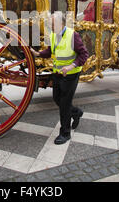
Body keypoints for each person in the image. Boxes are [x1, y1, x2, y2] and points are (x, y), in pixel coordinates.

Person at [30, 12, 89, 145]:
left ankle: (65, 133)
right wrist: (38, 53)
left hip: (71, 74)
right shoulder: (53, 35)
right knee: (57, 99)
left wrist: (71, 66)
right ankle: (76, 112)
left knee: (64, 104)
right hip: (58, 73)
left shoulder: (72, 35)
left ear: (60, 23)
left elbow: (84, 54)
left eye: (52, 23)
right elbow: (51, 51)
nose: (50, 25)